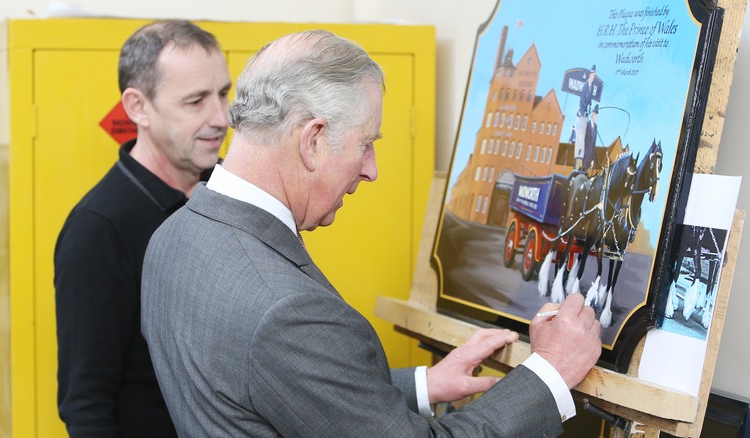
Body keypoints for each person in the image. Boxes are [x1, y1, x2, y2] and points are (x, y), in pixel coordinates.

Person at [141, 29, 601, 436]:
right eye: (366, 145)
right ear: (313, 140)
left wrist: (424, 384)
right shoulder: (289, 314)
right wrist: (551, 371)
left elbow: (271, 383)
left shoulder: (172, 237)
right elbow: (284, 355)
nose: (371, 170)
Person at [53, 20, 231, 436]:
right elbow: (88, 405)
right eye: (195, 102)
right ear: (137, 107)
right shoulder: (99, 230)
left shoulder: (232, 195)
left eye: (223, 94)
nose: (221, 118)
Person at [575, 64, 596, 170]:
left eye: (594, 75)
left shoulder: (591, 87)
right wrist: (584, 113)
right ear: (589, 75)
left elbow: (589, 101)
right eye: (592, 74)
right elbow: (582, 101)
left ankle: (583, 160)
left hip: (586, 114)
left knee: (584, 138)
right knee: (580, 137)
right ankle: (579, 159)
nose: (593, 77)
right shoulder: (586, 86)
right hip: (581, 115)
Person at [584, 104, 600, 173]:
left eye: (596, 115)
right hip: (584, 154)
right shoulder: (587, 125)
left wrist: (593, 159)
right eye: (594, 114)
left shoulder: (596, 127)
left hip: (590, 155)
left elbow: (594, 144)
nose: (595, 116)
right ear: (592, 114)